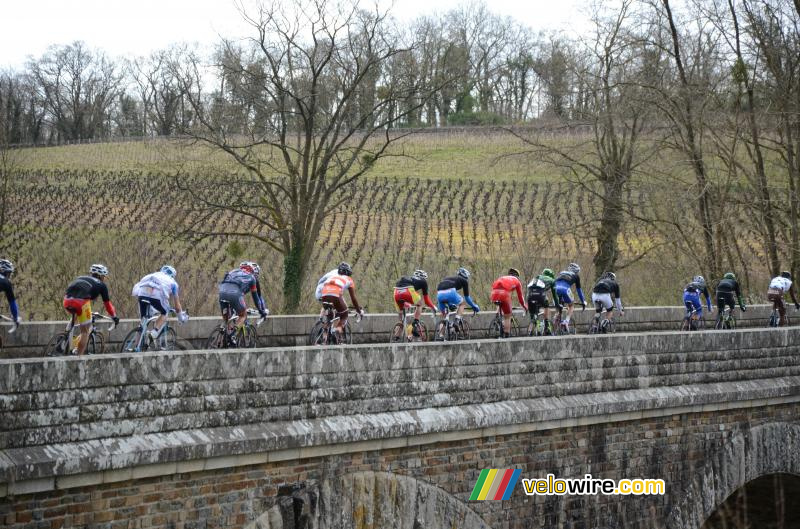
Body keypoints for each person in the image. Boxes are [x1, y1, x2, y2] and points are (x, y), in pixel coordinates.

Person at [63, 264, 119, 355]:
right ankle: (79, 358)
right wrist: (114, 316)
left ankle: (63, 338)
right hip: (81, 303)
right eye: (104, 276)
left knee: (76, 313)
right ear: (101, 276)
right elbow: (107, 305)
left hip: (66, 300)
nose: (104, 278)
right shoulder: (101, 285)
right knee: (85, 331)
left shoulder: (80, 277)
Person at [131, 265, 188, 340]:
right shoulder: (173, 282)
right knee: (165, 311)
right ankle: (154, 333)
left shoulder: (153, 275)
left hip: (141, 293)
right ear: (173, 276)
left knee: (143, 323)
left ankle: (136, 347)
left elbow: (136, 289)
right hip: (156, 295)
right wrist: (181, 318)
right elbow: (177, 307)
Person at [218, 261, 268, 343]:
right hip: (234, 294)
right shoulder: (251, 278)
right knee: (243, 315)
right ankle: (233, 335)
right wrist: (261, 311)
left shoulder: (233, 271)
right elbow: (256, 298)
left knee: (226, 319)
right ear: (253, 271)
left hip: (222, 292)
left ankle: (221, 337)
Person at [317, 261, 364, 338]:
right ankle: (337, 330)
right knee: (344, 314)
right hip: (335, 295)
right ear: (348, 273)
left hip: (324, 294)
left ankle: (324, 338)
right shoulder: (349, 279)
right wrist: (358, 310)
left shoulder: (333, 276)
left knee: (330, 317)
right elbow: (353, 298)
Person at [393, 269, 437, 339]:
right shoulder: (423, 281)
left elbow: (402, 292)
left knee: (401, 319)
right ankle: (416, 323)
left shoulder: (409, 279)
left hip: (396, 292)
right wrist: (433, 307)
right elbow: (426, 300)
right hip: (408, 290)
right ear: (424, 277)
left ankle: (396, 337)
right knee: (420, 304)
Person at [490, 268, 528, 337]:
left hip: (493, 293)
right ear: (517, 276)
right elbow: (520, 297)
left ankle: (497, 315)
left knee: (500, 301)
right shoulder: (516, 281)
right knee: (507, 316)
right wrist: (524, 307)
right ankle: (507, 335)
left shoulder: (503, 278)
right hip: (504, 294)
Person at [526, 267, 560, 335]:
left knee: (534, 313)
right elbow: (555, 296)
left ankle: (533, 325)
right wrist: (557, 305)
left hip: (530, 295)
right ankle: (547, 324)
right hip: (540, 295)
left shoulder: (537, 277)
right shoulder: (552, 280)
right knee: (546, 306)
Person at [0, 259, 20, 330]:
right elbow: (12, 303)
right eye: (9, 273)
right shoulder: (6, 283)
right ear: (3, 271)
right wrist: (15, 318)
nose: (9, 276)